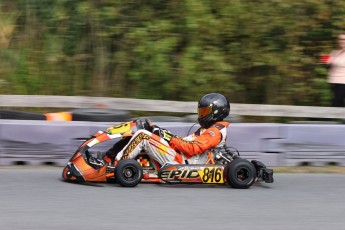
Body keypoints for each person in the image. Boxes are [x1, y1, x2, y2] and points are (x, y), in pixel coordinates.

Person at [88, 93, 230, 169]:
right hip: (182, 156)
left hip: (185, 163)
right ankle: (108, 158)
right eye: (201, 111)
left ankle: (115, 166)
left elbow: (192, 148)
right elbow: (185, 142)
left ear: (217, 112)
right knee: (140, 128)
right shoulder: (207, 129)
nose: (202, 114)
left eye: (205, 111)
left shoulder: (215, 131)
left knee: (143, 136)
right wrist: (161, 133)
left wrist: (165, 136)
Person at [324, 34, 345, 107]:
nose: (342, 41)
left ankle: (328, 117)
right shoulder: (334, 52)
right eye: (340, 39)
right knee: (340, 102)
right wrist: (326, 63)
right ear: (338, 41)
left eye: (344, 39)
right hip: (333, 80)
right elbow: (328, 67)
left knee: (336, 101)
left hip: (343, 81)